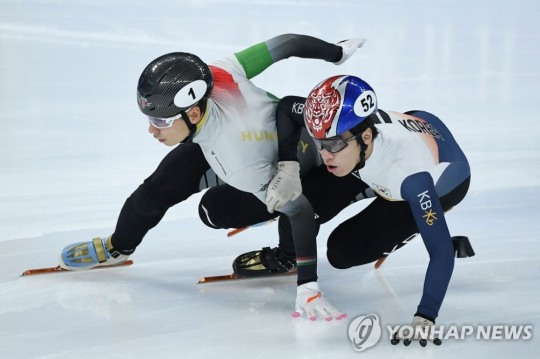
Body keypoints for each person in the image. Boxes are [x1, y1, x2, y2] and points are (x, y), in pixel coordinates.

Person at [58, 34, 366, 321]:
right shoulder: (217, 73)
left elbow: (299, 212)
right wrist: (336, 53)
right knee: (160, 187)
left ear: (192, 114)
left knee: (216, 210)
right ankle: (118, 246)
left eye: (159, 120)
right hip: (243, 143)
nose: (151, 130)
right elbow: (285, 44)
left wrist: (307, 286)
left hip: (284, 168)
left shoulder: (241, 164)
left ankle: (283, 251)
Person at [224, 75, 471, 337]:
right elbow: (287, 107)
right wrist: (288, 165)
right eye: (319, 142)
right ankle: (287, 257)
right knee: (302, 205)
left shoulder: (412, 178)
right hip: (394, 138)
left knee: (342, 253)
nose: (324, 154)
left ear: (366, 136)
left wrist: (426, 316)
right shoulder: (336, 127)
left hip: (445, 180)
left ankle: (421, 227)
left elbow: (440, 253)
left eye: (333, 145)